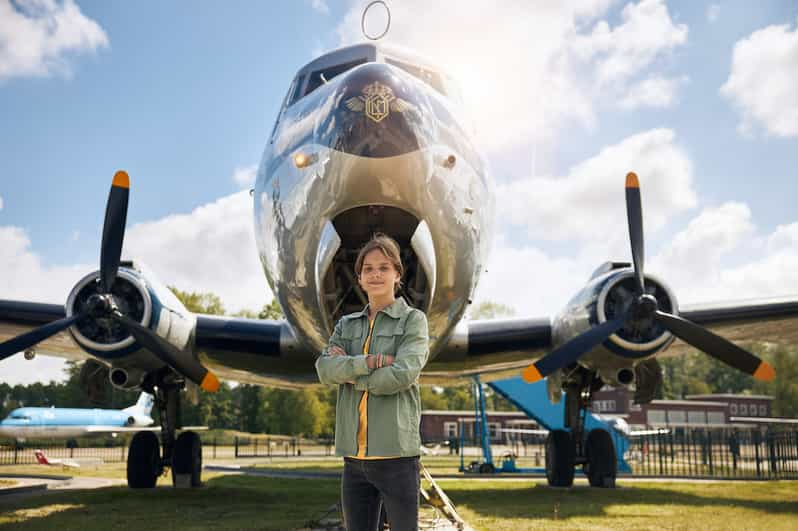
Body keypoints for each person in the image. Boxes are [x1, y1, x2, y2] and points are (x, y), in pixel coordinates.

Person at [315, 234, 429, 531]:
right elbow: (324, 370)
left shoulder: (413, 321)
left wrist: (349, 373)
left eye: (383, 267)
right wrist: (370, 362)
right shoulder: (345, 325)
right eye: (368, 269)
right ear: (360, 278)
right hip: (354, 461)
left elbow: (404, 373)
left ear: (397, 275)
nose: (375, 274)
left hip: (397, 458)